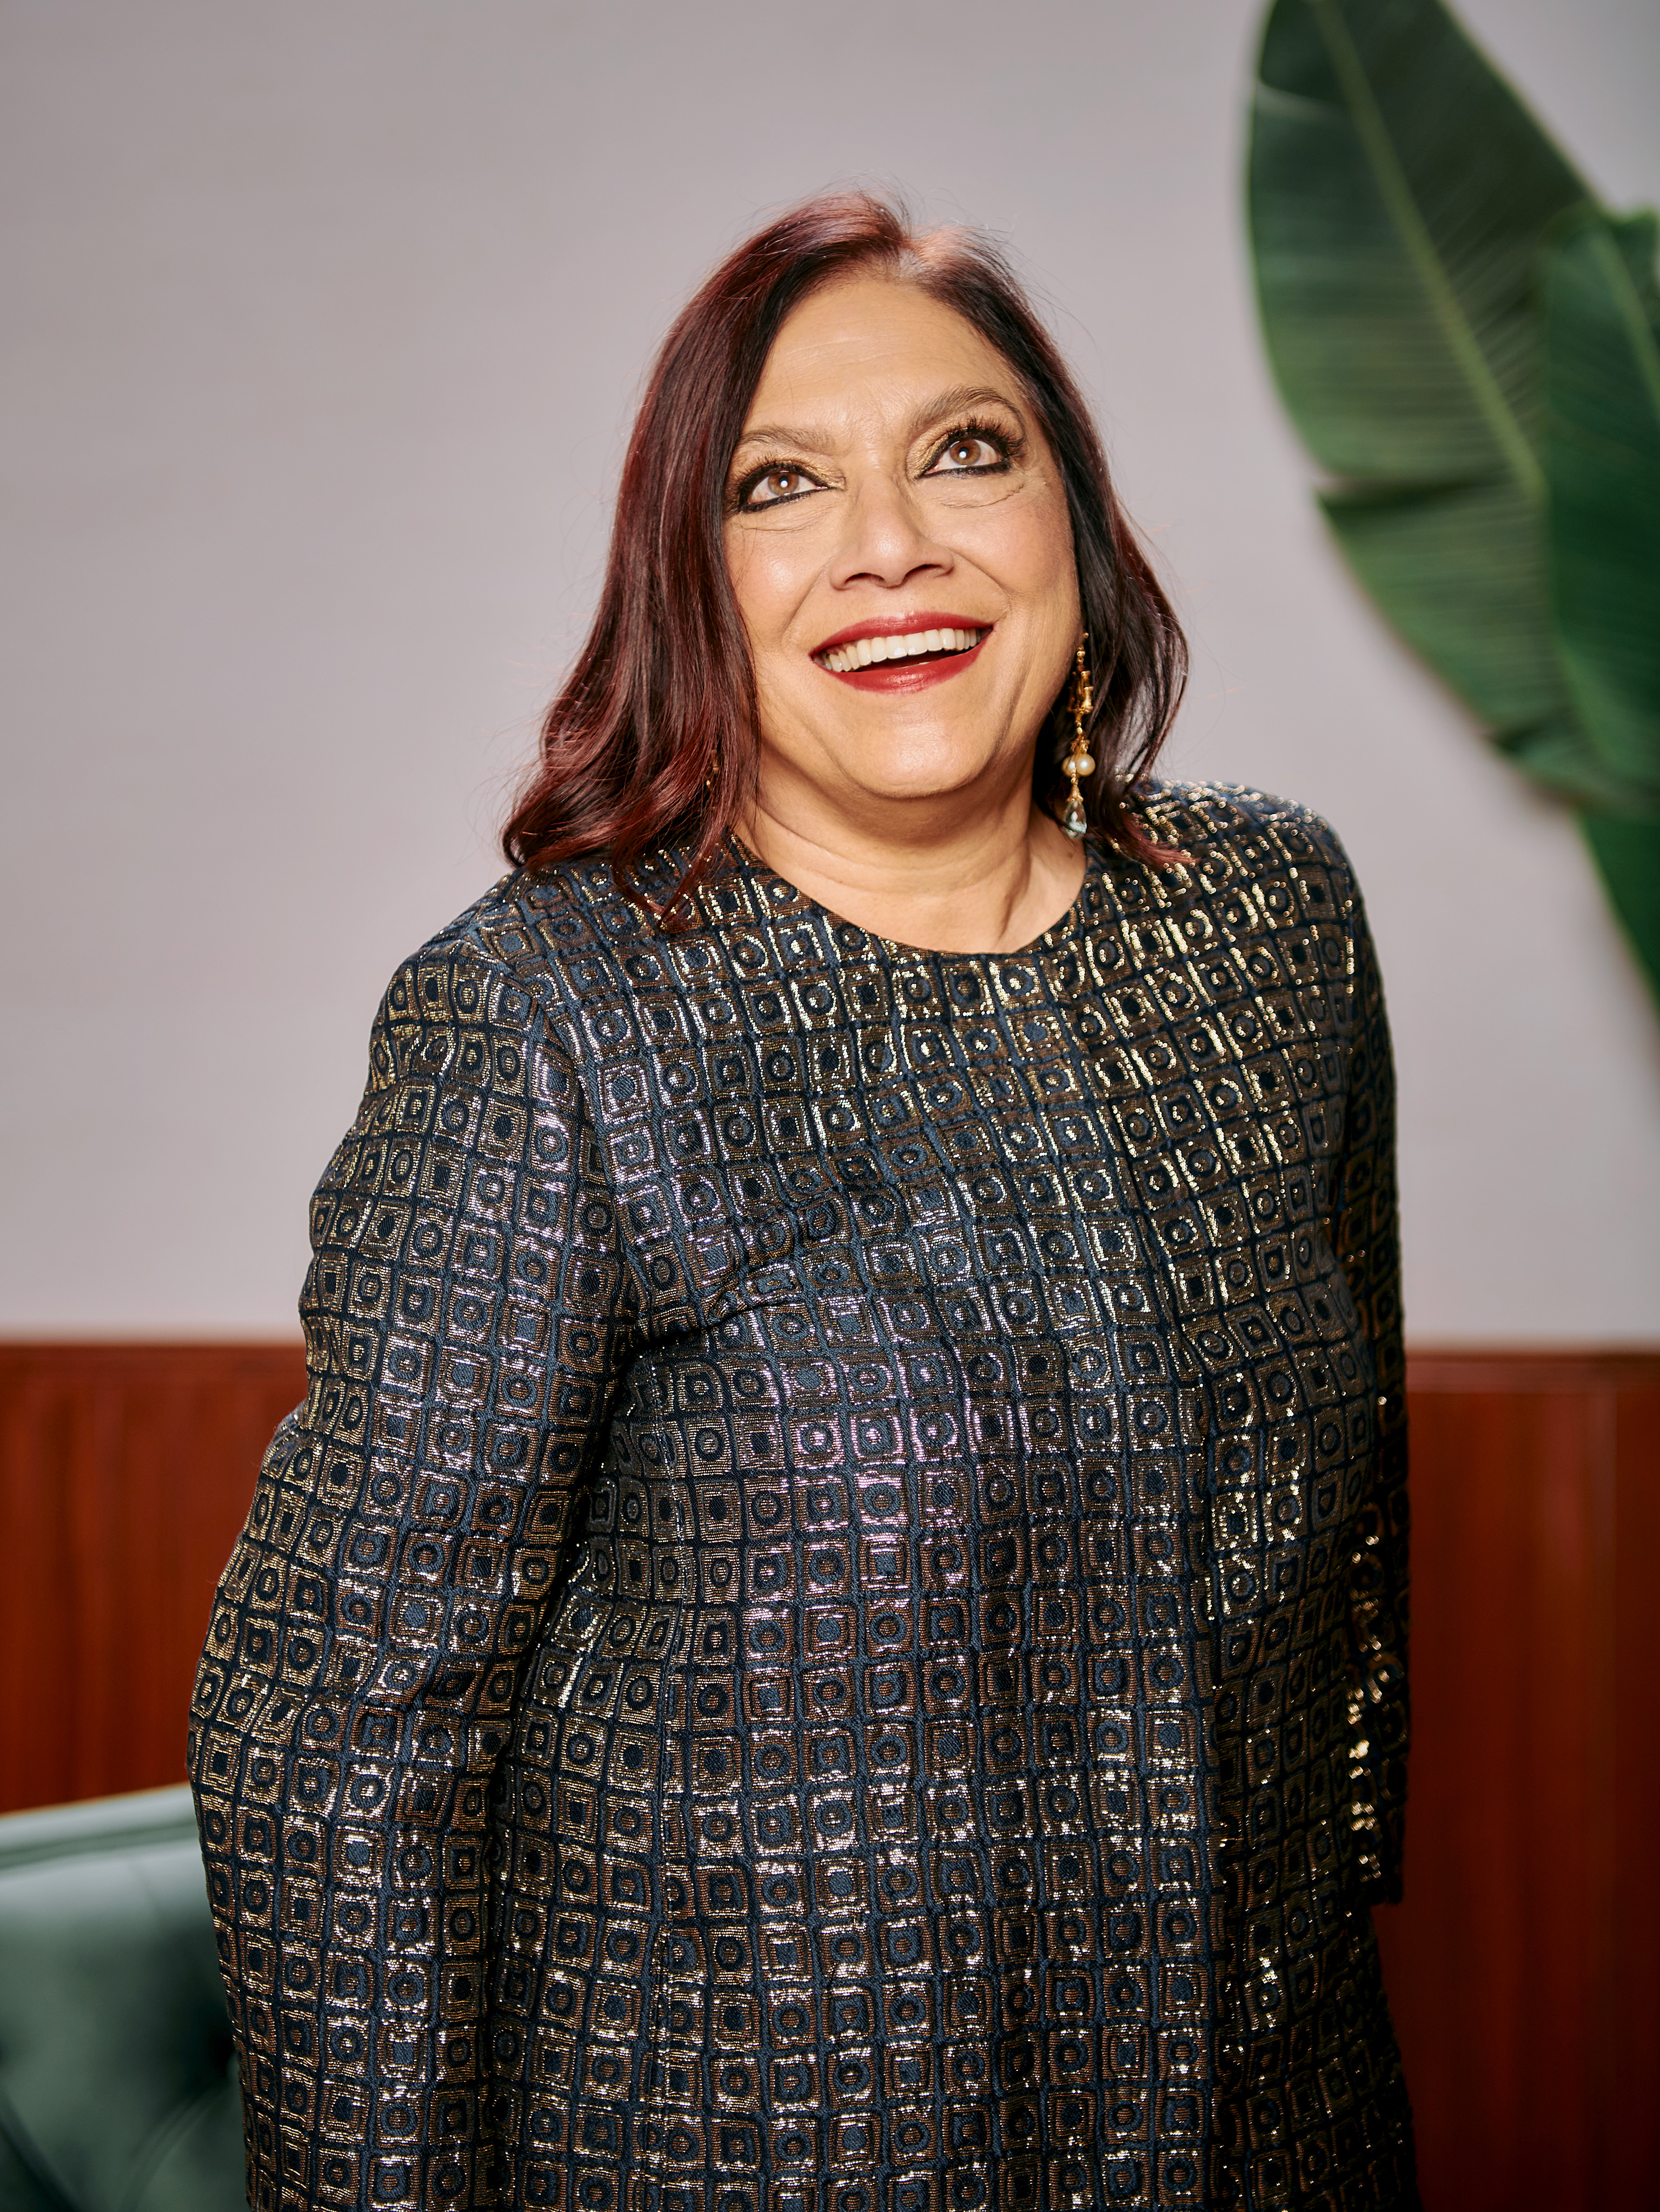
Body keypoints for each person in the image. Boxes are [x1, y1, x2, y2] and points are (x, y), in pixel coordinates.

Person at [189, 191, 1416, 2212]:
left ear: (1076, 534)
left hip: (1273, 2133)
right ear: (695, 581)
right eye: (782, 485)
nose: (892, 546)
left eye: (966, 451)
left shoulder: (1271, 926)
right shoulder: (547, 1020)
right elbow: (333, 1744)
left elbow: (1343, 1570)